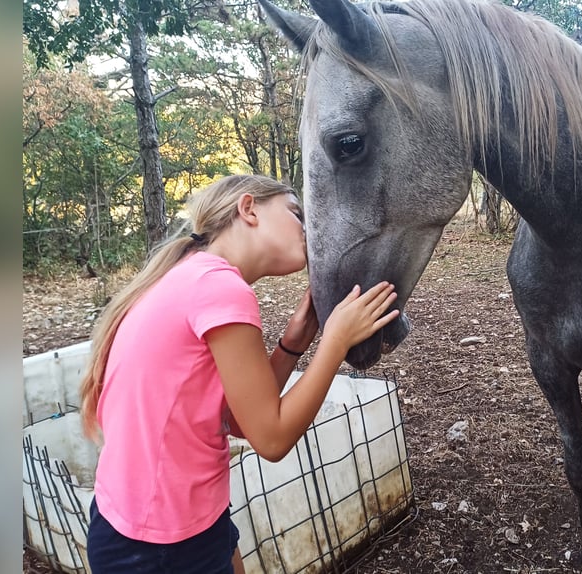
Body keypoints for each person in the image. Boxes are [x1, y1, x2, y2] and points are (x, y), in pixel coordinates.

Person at [79, 174, 399, 574]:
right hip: (160, 547)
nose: (307, 228)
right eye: (296, 213)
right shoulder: (219, 287)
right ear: (248, 209)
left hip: (157, 522)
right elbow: (271, 438)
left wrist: (292, 345)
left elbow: (236, 421)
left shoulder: (188, 275)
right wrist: (334, 340)